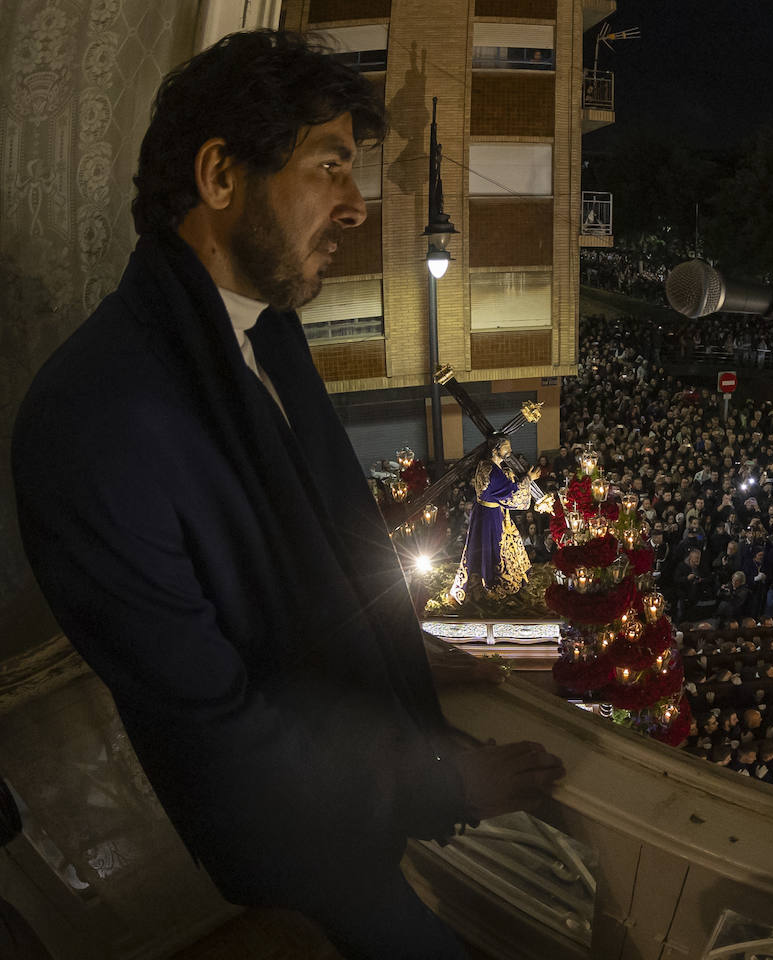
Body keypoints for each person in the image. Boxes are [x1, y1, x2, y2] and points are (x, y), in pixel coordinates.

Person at [11, 31, 562, 959]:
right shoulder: (89, 420)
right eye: (329, 166)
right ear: (221, 176)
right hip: (305, 855)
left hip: (366, 784)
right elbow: (215, 733)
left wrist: (398, 655)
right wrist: (440, 790)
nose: (354, 206)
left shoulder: (266, 338)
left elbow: (304, 570)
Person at [450, 435, 541, 604]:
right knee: (494, 547)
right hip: (491, 517)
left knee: (479, 547)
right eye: (506, 447)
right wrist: (529, 479)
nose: (510, 450)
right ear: (495, 450)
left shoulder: (484, 464)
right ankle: (493, 583)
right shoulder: (494, 472)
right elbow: (511, 493)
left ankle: (479, 578)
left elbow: (498, 485)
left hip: (481, 513)